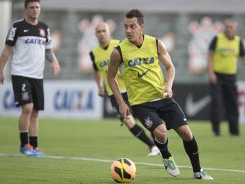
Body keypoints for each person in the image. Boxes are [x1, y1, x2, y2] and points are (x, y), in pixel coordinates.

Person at [107, 9, 213, 180]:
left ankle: (198, 171)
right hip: (141, 103)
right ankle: (166, 156)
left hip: (163, 97)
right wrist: (121, 102)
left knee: (186, 133)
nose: (128, 30)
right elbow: (110, 77)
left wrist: (168, 86)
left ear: (141, 26)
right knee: (162, 133)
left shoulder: (156, 43)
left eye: (132, 26)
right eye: (125, 27)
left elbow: (170, 67)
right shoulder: (118, 51)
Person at [0, 0, 61, 156]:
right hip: (20, 74)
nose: (35, 10)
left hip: (37, 76)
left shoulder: (44, 28)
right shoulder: (17, 27)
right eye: (31, 7)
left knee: (35, 112)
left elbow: (48, 51)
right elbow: (6, 51)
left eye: (37, 7)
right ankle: (24, 145)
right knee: (27, 108)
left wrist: (55, 62)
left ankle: (34, 147)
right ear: (26, 9)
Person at [90, 22, 160, 156]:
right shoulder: (94, 54)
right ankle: (152, 146)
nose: (101, 34)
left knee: (146, 117)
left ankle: (158, 143)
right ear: (95, 34)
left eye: (104, 31)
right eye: (98, 31)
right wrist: (99, 86)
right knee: (128, 121)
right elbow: (96, 70)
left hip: (131, 89)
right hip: (114, 94)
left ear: (109, 31)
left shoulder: (119, 45)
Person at [207, 19, 245, 136]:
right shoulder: (217, 38)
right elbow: (209, 56)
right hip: (217, 76)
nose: (229, 29)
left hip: (231, 77)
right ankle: (216, 131)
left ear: (235, 29)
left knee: (232, 104)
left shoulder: (238, 41)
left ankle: (234, 132)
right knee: (216, 104)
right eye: (227, 27)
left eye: (231, 27)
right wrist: (211, 73)